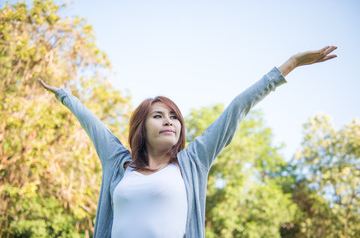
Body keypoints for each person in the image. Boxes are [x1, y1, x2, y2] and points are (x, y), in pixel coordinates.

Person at [39, 46, 337, 238]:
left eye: (174, 116)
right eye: (158, 115)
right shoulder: (119, 164)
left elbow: (237, 108)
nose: (169, 121)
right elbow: (92, 124)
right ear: (141, 127)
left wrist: (290, 64)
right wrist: (64, 96)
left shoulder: (193, 162)